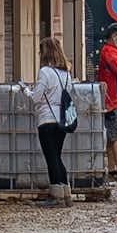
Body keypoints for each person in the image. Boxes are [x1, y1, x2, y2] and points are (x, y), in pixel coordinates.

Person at [30, 35, 77, 200]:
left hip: (46, 119)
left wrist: (26, 92)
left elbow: (36, 97)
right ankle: (65, 191)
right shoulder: (66, 74)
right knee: (56, 155)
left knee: (51, 157)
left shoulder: (45, 72)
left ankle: (56, 193)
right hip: (62, 120)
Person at [95, 25, 117, 184]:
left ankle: (113, 168)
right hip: (113, 100)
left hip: (108, 100)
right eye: (116, 35)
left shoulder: (108, 51)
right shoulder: (110, 52)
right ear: (110, 36)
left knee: (110, 137)